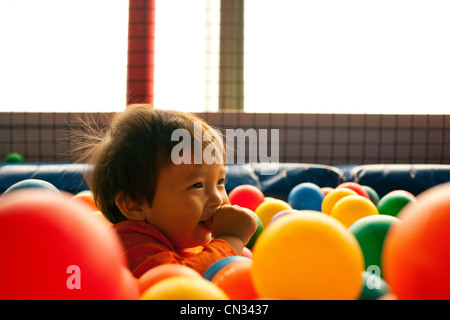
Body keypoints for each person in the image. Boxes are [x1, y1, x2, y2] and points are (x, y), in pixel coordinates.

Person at [75, 104, 258, 278]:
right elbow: (180, 287)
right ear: (135, 204)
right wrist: (230, 239)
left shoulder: (182, 240)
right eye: (197, 185)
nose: (217, 200)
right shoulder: (130, 244)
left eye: (220, 181)